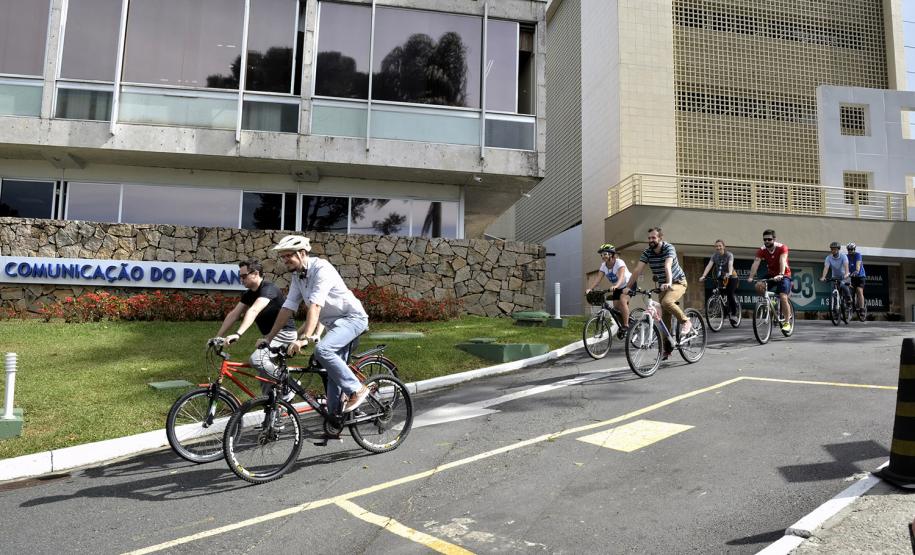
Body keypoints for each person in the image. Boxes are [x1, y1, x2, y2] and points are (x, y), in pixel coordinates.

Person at [259, 235, 370, 416]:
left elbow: (315, 305)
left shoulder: (322, 269)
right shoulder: (297, 276)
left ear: (302, 254)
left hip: (352, 318)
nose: (284, 260)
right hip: (334, 325)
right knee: (333, 373)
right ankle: (335, 419)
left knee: (323, 350)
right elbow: (288, 307)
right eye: (283, 256)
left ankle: (357, 390)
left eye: (288, 255)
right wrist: (268, 337)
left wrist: (305, 338)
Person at [211, 259, 297, 396]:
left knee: (257, 360)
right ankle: (270, 407)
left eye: (244, 276)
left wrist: (237, 334)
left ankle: (290, 385)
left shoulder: (268, 289)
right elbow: (234, 314)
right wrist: (217, 336)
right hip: (270, 336)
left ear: (256, 274)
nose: (241, 279)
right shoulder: (249, 294)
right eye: (240, 276)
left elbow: (254, 310)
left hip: (284, 334)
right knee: (264, 375)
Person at [623, 227, 693, 359]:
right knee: (663, 320)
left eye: (653, 238)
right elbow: (637, 270)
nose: (651, 240)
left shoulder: (668, 248)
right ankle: (667, 350)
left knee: (667, 302)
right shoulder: (647, 252)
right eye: (649, 238)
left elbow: (668, 265)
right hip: (663, 286)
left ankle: (685, 321)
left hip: (678, 282)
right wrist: (628, 287)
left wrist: (669, 283)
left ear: (660, 238)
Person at [747, 229, 793, 333]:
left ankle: (786, 322)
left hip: (784, 275)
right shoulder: (762, 250)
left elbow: (782, 260)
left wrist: (781, 274)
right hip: (771, 274)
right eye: (765, 239)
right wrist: (751, 276)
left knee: (783, 297)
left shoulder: (782, 247)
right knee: (758, 285)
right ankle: (768, 301)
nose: (767, 241)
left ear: (774, 239)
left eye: (769, 239)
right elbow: (756, 262)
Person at [585, 243, 631, 333]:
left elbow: (621, 277)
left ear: (611, 254)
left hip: (628, 284)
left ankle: (626, 326)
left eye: (605, 254)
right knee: (616, 308)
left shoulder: (619, 262)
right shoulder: (603, 266)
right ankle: (622, 327)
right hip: (617, 287)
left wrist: (616, 286)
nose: (603, 256)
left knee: (622, 300)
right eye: (601, 254)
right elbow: (598, 279)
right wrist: (590, 288)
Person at [697, 239, 739, 325]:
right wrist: (703, 276)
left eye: (720, 246)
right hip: (721, 277)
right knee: (717, 292)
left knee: (730, 293)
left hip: (732, 277)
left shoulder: (729, 255)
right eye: (716, 246)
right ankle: (724, 310)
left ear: (724, 246)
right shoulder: (714, 256)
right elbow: (709, 266)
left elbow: (730, 264)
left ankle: (734, 314)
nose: (718, 247)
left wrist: (729, 273)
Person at [819, 241, 851, 307]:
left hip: (844, 276)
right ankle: (836, 309)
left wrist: (846, 275)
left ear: (838, 249)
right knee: (834, 291)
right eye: (832, 249)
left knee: (844, 286)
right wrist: (823, 277)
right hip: (834, 277)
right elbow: (826, 268)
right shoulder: (828, 258)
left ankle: (848, 300)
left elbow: (846, 268)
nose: (833, 250)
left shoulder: (843, 256)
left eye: (835, 249)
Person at [846, 242, 866, 316]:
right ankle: (851, 306)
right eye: (848, 249)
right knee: (848, 290)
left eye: (851, 249)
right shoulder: (846, 256)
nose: (850, 251)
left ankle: (862, 309)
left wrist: (857, 270)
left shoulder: (858, 255)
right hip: (851, 276)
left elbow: (858, 265)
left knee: (859, 290)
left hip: (860, 276)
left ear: (854, 249)